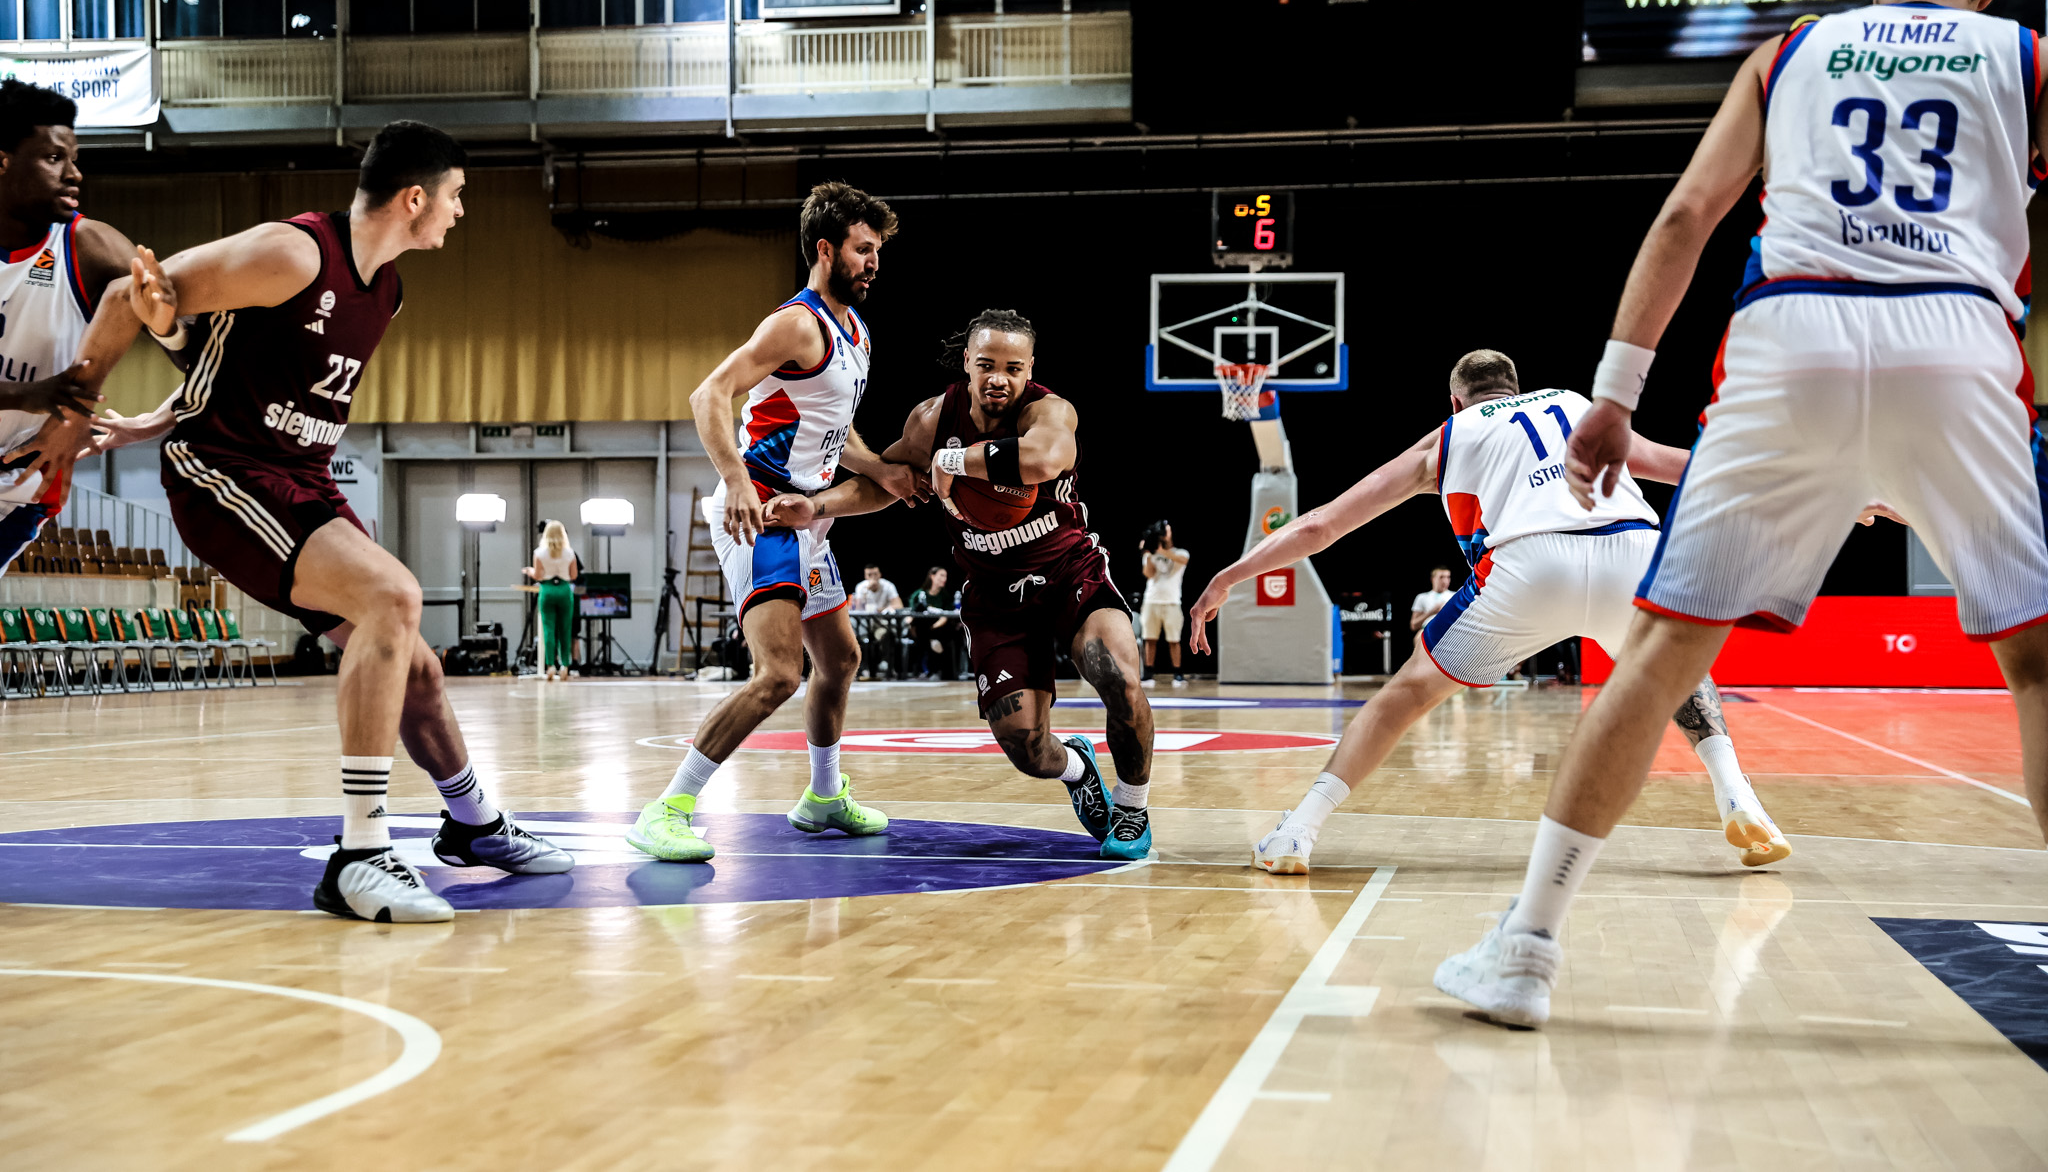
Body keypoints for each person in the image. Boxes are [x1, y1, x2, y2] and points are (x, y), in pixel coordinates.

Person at [1435, 0, 2048, 1028]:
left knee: (1663, 654)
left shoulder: (1790, 53)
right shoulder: (2024, 55)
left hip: (1791, 338)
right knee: (2037, 666)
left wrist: (1613, 398)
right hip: (1958, 340)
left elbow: (1684, 216)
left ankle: (1523, 952)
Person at [48, 119, 572, 924]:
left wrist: (157, 410)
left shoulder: (388, 289)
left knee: (419, 671)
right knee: (393, 599)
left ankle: (473, 826)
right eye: (458, 197)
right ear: (415, 197)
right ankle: (359, 855)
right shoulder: (294, 253)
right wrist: (75, 410)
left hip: (300, 481)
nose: (461, 213)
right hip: (220, 475)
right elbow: (140, 296)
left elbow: (235, 360)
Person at [1190, 349, 1793, 879]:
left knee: (1400, 700)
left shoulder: (1449, 435)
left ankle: (1298, 829)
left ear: (1454, 399)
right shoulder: (1580, 406)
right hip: (1631, 549)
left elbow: (1322, 525)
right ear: (1518, 385)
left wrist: (1227, 578)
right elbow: (1678, 465)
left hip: (1529, 567)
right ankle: (1737, 794)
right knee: (1679, 675)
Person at [765, 308, 1156, 860]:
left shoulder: (1050, 410)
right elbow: (890, 483)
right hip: (993, 593)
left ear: (1029, 371)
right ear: (968, 365)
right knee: (1026, 746)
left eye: (1013, 367)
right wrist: (815, 506)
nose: (999, 377)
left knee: (1113, 669)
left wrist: (955, 460)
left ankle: (1133, 807)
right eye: (987, 364)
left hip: (1069, 569)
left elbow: (1044, 459)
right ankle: (1076, 767)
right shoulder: (930, 419)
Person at [627, 182, 923, 863]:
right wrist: (733, 478)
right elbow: (711, 393)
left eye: (878, 250)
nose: (875, 261)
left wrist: (878, 469)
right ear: (826, 249)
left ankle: (822, 797)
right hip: (760, 510)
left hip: (807, 517)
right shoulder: (798, 324)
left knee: (841, 657)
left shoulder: (857, 332)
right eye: (863, 248)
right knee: (778, 674)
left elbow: (829, 427)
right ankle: (665, 808)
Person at [0, 81, 142, 567]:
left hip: (21, 486)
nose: (74, 174)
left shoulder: (90, 247)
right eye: (53, 158)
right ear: (3, 161)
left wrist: (159, 419)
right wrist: (27, 395)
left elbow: (185, 328)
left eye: (74, 158)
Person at [1138, 521, 1189, 687]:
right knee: (1149, 638)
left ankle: (1178, 674)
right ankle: (1148, 674)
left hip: (1172, 602)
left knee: (1174, 640)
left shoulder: (1181, 552)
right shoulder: (1150, 554)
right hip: (1151, 600)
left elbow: (1182, 560)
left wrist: (1161, 550)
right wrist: (1148, 553)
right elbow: (1149, 574)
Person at [526, 519, 578, 680]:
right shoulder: (570, 553)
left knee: (549, 629)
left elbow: (538, 575)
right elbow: (574, 575)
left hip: (547, 589)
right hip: (563, 589)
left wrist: (529, 571)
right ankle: (565, 665)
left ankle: (550, 665)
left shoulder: (539, 553)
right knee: (565, 629)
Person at [851, 562, 904, 678]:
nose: (873, 578)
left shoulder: (888, 586)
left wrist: (881, 609)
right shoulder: (861, 587)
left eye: (875, 574)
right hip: (865, 623)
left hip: (882, 622)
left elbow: (899, 605)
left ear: (880, 574)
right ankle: (861, 668)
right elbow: (858, 608)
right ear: (865, 576)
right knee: (854, 633)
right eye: (869, 575)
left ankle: (887, 665)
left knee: (887, 634)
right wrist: (866, 592)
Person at [905, 564, 958, 678]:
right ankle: (928, 670)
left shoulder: (945, 595)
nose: (944, 579)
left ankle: (936, 671)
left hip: (938, 629)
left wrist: (932, 630)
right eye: (941, 576)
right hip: (920, 630)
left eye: (946, 576)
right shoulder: (919, 594)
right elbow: (912, 616)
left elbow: (946, 616)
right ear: (932, 576)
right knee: (921, 626)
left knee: (944, 635)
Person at [1409, 567, 1454, 638]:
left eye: (1448, 577)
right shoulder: (1422, 597)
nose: (1445, 581)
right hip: (1427, 630)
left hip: (1449, 631)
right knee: (1419, 636)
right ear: (1433, 579)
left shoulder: (1454, 596)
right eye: (1441, 577)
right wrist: (1431, 612)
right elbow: (1413, 625)